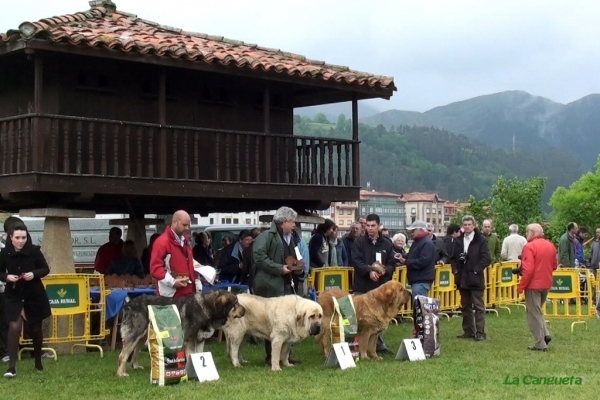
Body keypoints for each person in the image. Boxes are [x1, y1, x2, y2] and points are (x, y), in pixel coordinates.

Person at [252, 206, 304, 365]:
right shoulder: (266, 236)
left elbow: (296, 256)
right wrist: (278, 268)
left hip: (287, 284)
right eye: (292, 222)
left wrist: (299, 267)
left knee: (288, 320)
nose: (294, 225)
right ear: (283, 222)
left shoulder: (292, 237)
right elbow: (258, 257)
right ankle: (271, 356)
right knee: (272, 321)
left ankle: (286, 355)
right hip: (270, 285)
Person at [0, 223, 51, 377]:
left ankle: (38, 362)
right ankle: (11, 367)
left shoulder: (34, 251)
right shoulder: (4, 253)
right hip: (13, 294)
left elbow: (45, 269)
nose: (21, 241)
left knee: (35, 328)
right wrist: (6, 277)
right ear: (11, 238)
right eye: (17, 238)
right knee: (14, 327)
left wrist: (34, 274)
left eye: (23, 237)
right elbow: (0, 272)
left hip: (34, 295)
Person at [351, 214, 396, 354]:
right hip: (362, 286)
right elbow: (356, 261)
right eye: (367, 226)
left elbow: (392, 263)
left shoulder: (387, 243)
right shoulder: (359, 243)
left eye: (373, 226)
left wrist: (385, 271)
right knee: (360, 318)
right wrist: (369, 271)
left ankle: (378, 345)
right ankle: (356, 346)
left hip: (380, 288)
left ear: (379, 226)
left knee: (379, 317)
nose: (370, 229)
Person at [451, 215, 491, 341]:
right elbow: (453, 257)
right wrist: (455, 269)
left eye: (469, 224)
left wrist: (476, 270)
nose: (467, 227)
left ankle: (480, 333)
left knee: (479, 306)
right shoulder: (458, 240)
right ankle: (468, 331)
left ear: (474, 226)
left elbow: (486, 258)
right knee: (465, 306)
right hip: (462, 277)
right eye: (465, 225)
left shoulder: (481, 240)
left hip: (475, 277)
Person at [517, 223, 557, 351]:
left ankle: (540, 343)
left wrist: (521, 286)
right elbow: (554, 265)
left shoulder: (529, 247)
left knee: (533, 314)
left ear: (533, 233)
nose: (526, 234)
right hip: (546, 283)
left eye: (527, 231)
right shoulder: (550, 245)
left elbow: (528, 270)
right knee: (537, 311)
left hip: (533, 285)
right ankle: (545, 334)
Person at [150, 210, 199, 298]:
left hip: (188, 293)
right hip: (169, 297)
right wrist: (172, 282)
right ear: (174, 222)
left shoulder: (186, 241)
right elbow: (155, 268)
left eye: (188, 225)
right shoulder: (162, 242)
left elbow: (190, 264)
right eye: (184, 225)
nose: (187, 228)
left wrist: (197, 279)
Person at [398, 220, 435, 298]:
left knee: (419, 306)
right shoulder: (419, 242)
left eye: (413, 230)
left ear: (421, 230)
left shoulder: (427, 243)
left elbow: (423, 261)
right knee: (418, 306)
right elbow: (413, 255)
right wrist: (403, 256)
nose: (412, 233)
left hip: (421, 280)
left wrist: (406, 262)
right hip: (418, 280)